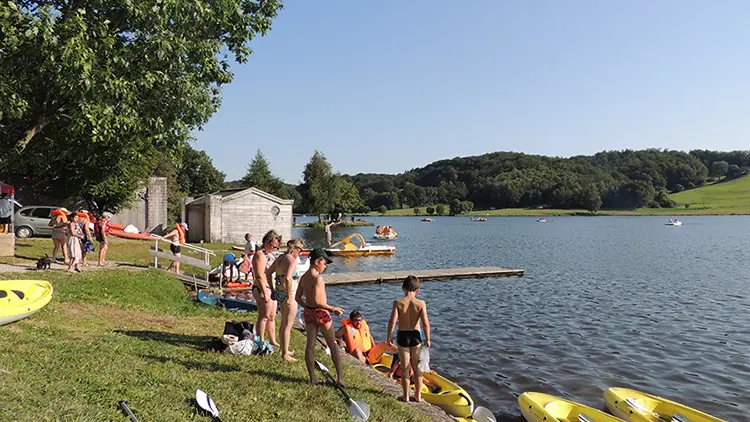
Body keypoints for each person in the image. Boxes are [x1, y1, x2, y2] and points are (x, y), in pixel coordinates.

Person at [295, 248, 345, 385]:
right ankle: (340, 378)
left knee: (310, 346)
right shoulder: (318, 278)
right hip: (321, 313)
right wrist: (333, 309)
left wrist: (305, 307)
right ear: (317, 261)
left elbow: (297, 297)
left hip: (309, 313)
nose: (325, 265)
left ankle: (312, 378)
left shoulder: (304, 277)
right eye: (324, 262)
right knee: (333, 344)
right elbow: (318, 301)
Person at [387, 275, 431, 402]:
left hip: (402, 336)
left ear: (403, 288)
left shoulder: (398, 303)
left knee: (405, 368)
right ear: (417, 290)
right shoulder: (421, 303)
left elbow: (392, 321)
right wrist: (428, 338)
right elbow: (425, 322)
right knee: (417, 367)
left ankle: (405, 396)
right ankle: (418, 396)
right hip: (416, 336)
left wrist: (389, 336)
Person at [266, 238, 305, 361]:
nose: (301, 253)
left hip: (279, 292)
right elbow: (288, 278)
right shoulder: (292, 260)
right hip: (289, 294)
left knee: (283, 324)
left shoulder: (281, 258)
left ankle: (284, 350)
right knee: (288, 325)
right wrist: (289, 296)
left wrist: (273, 290)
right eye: (301, 251)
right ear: (296, 249)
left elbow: (268, 273)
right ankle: (285, 355)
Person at [252, 230, 281, 347]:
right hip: (262, 288)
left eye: (276, 247)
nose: (274, 249)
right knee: (264, 316)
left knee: (272, 316)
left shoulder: (268, 254)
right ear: (268, 242)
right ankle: (260, 341)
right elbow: (259, 275)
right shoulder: (260, 255)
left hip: (270, 288)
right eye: (273, 246)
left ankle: (272, 340)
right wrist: (264, 292)